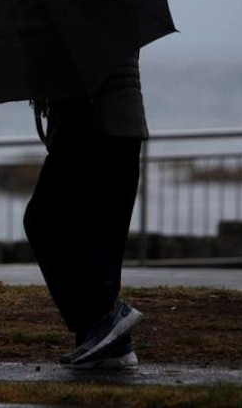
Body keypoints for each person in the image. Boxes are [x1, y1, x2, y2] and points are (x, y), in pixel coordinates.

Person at [23, 51, 148, 370]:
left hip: (94, 125)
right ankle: (111, 343)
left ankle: (107, 317)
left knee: (47, 221)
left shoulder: (75, 8)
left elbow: (78, 63)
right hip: (113, 124)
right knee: (92, 239)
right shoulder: (99, 10)